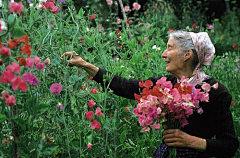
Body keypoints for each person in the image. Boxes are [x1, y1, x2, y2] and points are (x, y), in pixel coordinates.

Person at [61, 30, 239, 158]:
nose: (163, 54)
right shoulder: (166, 84)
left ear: (187, 54)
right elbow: (124, 86)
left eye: (169, 48)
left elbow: (230, 145)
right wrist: (84, 64)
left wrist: (191, 141)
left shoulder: (215, 91)